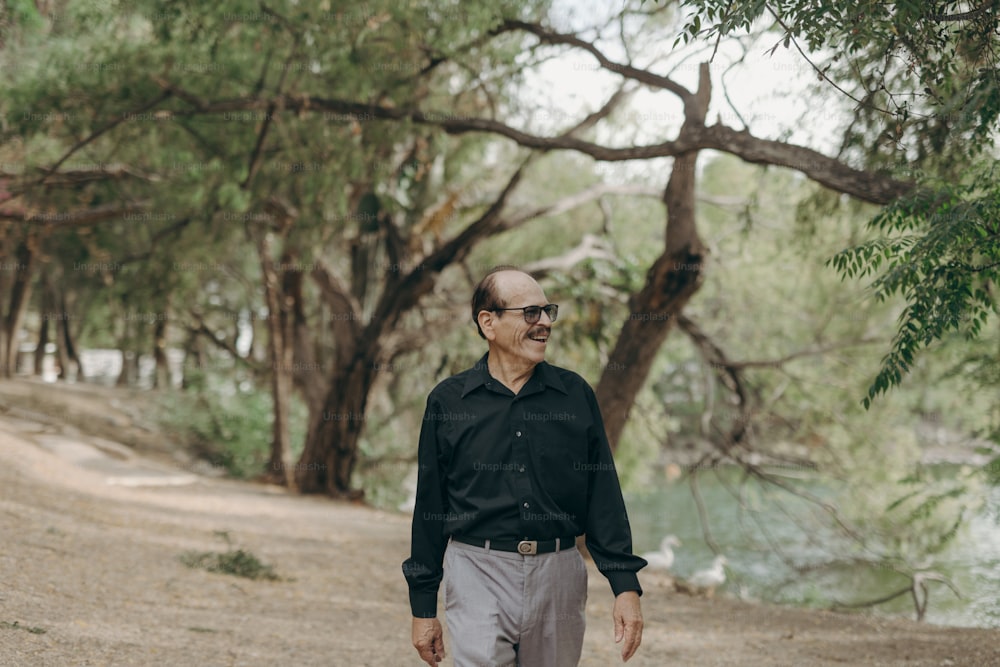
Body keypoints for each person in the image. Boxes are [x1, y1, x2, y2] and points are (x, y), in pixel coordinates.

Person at [402, 267, 646, 667]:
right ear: (488, 322)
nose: (545, 323)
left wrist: (624, 585)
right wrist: (423, 608)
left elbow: (603, 496)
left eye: (548, 311)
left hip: (560, 575)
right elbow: (430, 507)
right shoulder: (448, 402)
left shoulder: (574, 395)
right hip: (476, 569)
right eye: (531, 312)